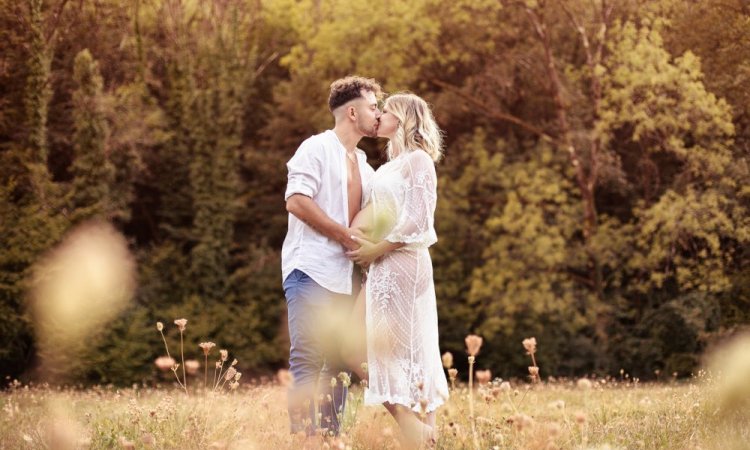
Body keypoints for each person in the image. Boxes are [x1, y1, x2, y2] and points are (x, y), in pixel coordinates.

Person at [346, 93, 450, 445]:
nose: (379, 117)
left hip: (404, 262)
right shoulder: (390, 164)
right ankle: (415, 429)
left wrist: (376, 249)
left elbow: (420, 220)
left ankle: (421, 434)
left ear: (403, 119)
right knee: (352, 345)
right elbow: (378, 208)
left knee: (412, 348)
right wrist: (353, 233)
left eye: (385, 111)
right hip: (382, 263)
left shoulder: (420, 160)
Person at [281, 76, 383, 437]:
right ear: (352, 112)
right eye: (373, 107)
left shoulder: (365, 165)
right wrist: (343, 235)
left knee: (339, 361)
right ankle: (303, 441)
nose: (378, 114)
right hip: (309, 269)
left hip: (346, 277)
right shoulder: (316, 148)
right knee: (308, 357)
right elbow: (296, 201)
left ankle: (328, 438)